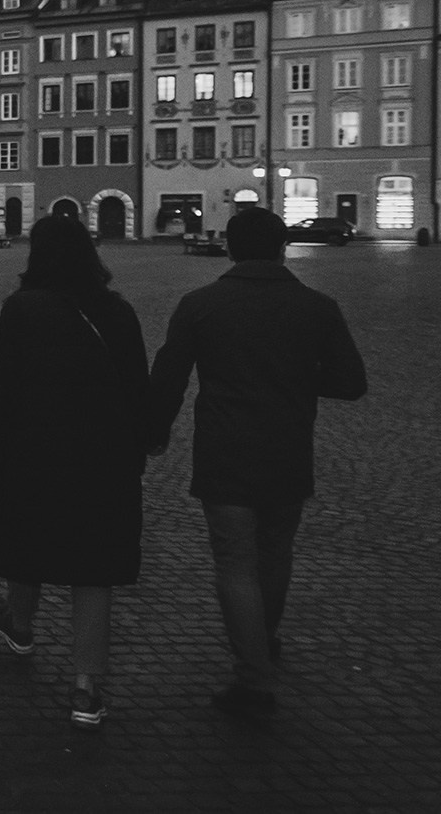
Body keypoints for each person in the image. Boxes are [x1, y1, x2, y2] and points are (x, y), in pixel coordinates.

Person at [147, 206, 367, 722]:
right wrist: (295, 381)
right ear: (283, 246)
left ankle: (253, 674)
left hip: (225, 449)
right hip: (288, 447)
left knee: (234, 560)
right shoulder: (317, 306)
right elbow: (350, 383)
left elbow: (170, 377)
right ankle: (262, 638)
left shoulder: (201, 304)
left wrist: (153, 432)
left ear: (229, 247)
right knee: (275, 551)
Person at [0, 217, 150, 732]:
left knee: (26, 537)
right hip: (103, 457)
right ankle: (85, 688)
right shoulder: (119, 312)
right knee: (94, 570)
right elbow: (137, 388)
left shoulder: (23, 309)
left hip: (31, 449)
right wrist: (146, 440)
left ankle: (19, 625)